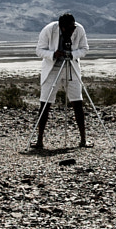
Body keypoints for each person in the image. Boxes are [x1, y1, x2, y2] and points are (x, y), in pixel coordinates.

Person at [33, 11, 88, 150]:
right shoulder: (49, 30)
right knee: (45, 103)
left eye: (73, 27)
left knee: (77, 101)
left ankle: (83, 139)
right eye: (69, 28)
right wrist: (53, 54)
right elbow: (39, 50)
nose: (72, 31)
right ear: (61, 27)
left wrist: (72, 54)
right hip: (53, 68)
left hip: (71, 66)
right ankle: (39, 140)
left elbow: (84, 49)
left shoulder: (79, 29)